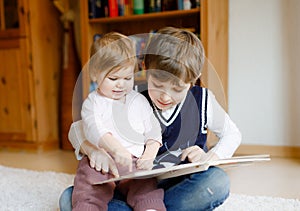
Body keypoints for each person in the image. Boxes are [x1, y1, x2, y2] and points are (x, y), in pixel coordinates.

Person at [59, 27, 242, 211]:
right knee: (70, 198)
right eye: (158, 85)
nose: (165, 97)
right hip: (137, 185)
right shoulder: (131, 94)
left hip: (181, 187)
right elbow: (77, 129)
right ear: (145, 69)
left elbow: (232, 134)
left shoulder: (203, 100)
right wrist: (92, 150)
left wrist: (209, 158)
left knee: (218, 181)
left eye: (177, 89)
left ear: (193, 80)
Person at [71, 32, 166, 211]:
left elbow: (153, 129)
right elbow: (93, 129)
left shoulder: (138, 100)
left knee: (145, 187)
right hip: (102, 161)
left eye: (127, 78)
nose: (121, 85)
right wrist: (115, 148)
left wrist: (150, 154)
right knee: (88, 185)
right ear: (94, 74)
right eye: (113, 79)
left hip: (134, 163)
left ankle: (149, 208)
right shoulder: (93, 102)